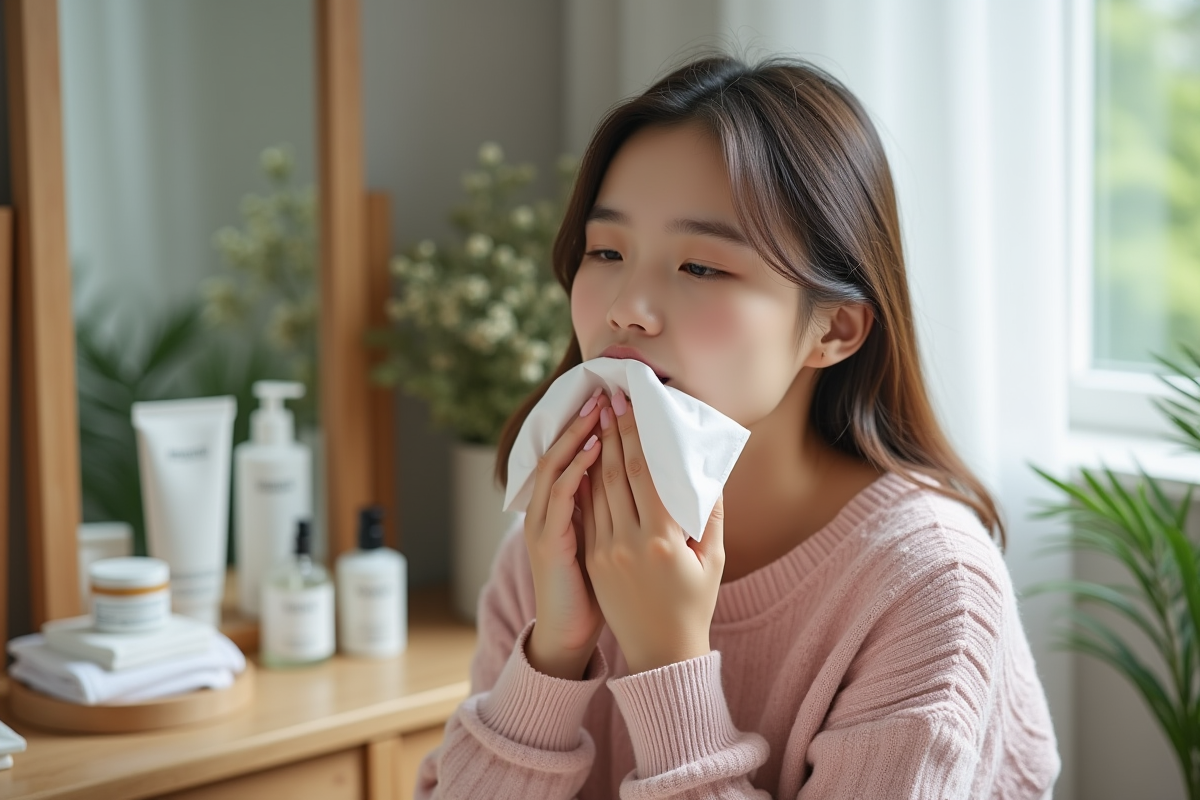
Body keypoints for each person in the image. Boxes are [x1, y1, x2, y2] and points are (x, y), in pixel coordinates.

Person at [416, 53, 1060, 799]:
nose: (627, 308)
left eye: (701, 267)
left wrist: (668, 665)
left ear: (833, 330)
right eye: (607, 251)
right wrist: (552, 658)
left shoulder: (929, 586)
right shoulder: (553, 542)